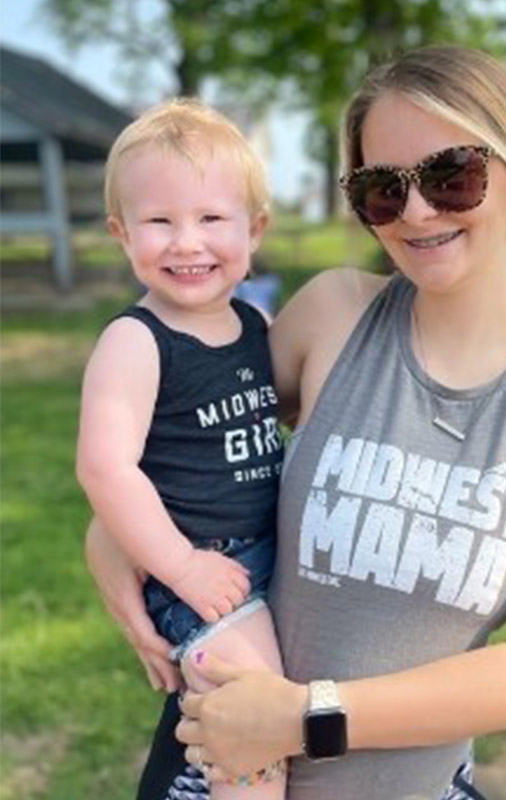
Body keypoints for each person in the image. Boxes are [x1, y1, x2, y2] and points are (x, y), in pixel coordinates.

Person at [85, 45, 506, 800]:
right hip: (212, 776)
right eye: (383, 189)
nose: (416, 211)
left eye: (452, 176)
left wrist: (305, 717)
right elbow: (183, 432)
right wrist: (112, 537)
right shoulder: (333, 313)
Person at [76, 99, 286, 799]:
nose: (186, 242)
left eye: (211, 219)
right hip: (200, 571)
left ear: (253, 231)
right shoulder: (135, 341)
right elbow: (105, 467)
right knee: (250, 724)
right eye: (160, 221)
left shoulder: (256, 324)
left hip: (267, 557)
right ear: (122, 233)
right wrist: (183, 568)